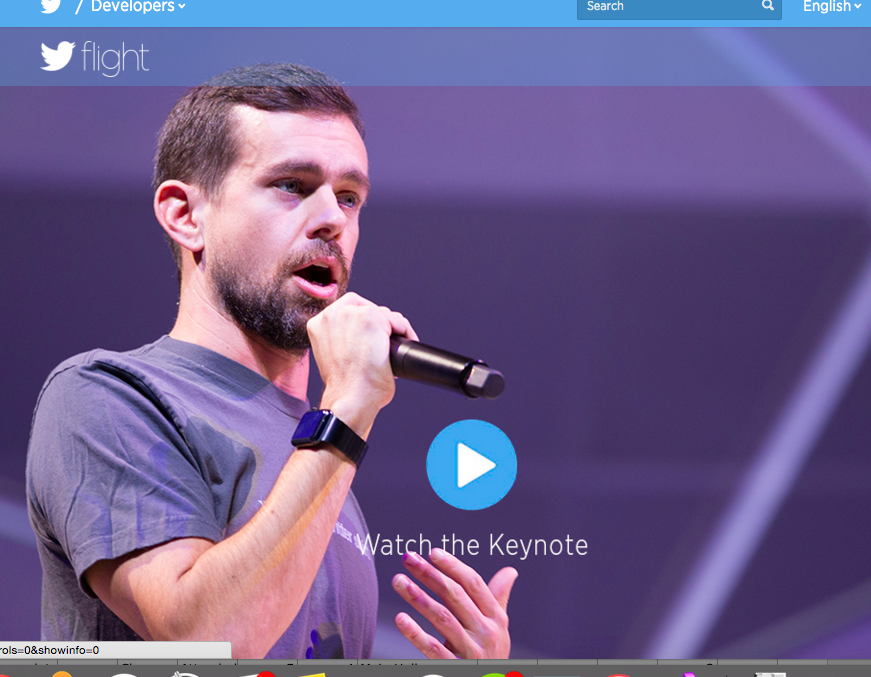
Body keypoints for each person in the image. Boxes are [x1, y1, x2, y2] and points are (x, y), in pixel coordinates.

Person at [25, 63, 517, 660]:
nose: (333, 219)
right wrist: (347, 411)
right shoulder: (106, 397)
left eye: (349, 197)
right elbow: (207, 644)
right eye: (292, 185)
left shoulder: (317, 451)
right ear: (185, 215)